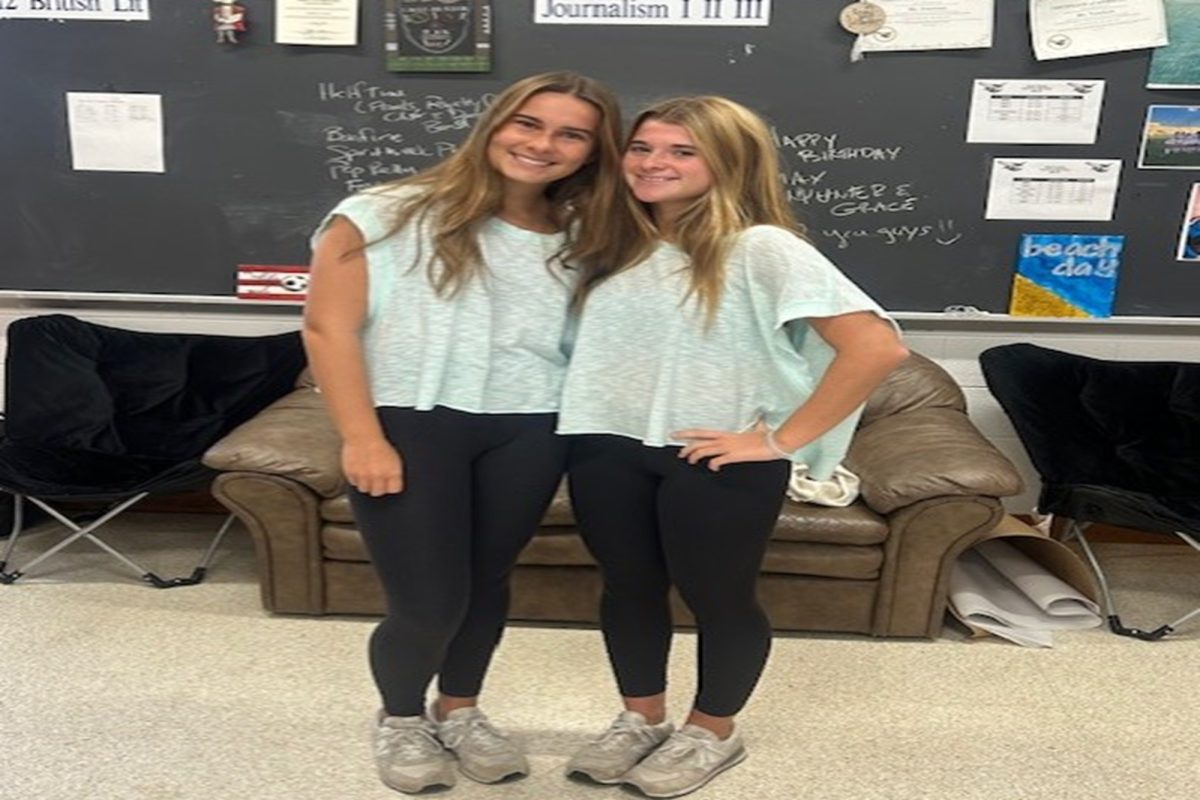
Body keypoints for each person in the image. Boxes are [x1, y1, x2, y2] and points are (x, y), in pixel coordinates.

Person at [558, 96, 909, 798]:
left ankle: (713, 730)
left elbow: (876, 348)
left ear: (729, 162)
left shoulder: (762, 248)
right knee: (627, 587)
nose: (654, 163)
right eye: (643, 148)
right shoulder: (608, 243)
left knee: (716, 595)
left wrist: (780, 440)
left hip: (713, 455)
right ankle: (641, 719)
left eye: (682, 151)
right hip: (604, 445)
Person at [302, 72, 622, 795]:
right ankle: (402, 719)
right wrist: (361, 437)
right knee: (427, 601)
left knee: (486, 584)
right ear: (494, 123)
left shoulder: (582, 236)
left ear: (592, 152)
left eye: (571, 134)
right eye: (528, 123)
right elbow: (328, 326)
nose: (544, 144)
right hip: (412, 424)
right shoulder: (382, 213)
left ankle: (461, 709)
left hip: (531, 428)